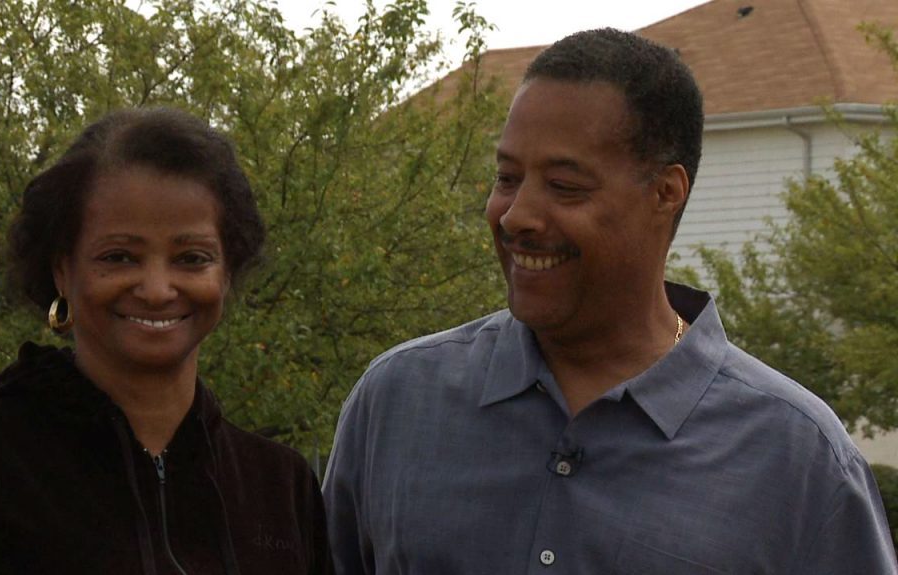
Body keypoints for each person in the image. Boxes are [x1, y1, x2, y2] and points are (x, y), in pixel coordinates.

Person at [322, 28, 896, 574]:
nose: (517, 214)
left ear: (665, 194)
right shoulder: (397, 401)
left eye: (565, 186)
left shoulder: (797, 458)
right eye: (506, 178)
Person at [0, 107, 332, 574]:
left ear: (227, 273)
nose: (156, 289)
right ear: (61, 268)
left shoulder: (280, 485)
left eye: (192, 258)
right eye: (119, 256)